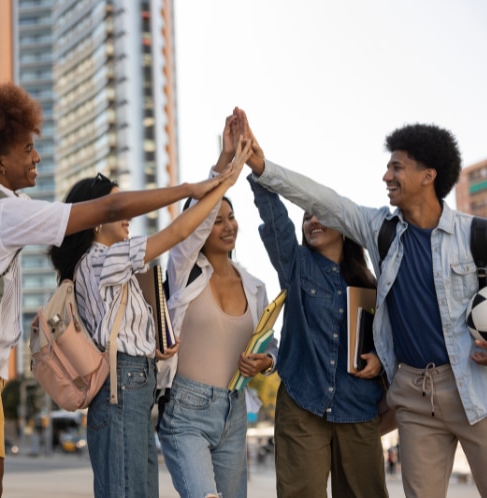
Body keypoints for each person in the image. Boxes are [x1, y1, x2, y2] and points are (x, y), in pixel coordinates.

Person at [0, 81, 236, 498]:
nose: (37, 157)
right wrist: (194, 187)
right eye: (27, 148)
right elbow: (117, 209)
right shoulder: (3, 211)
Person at [240, 107, 487, 498]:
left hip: (469, 389)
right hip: (396, 398)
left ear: (428, 175)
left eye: (397, 167)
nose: (386, 176)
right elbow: (313, 203)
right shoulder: (379, 233)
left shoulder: (472, 236)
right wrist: (261, 168)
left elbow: (381, 330)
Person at [49, 133, 251, 498]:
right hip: (122, 386)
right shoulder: (100, 260)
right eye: (117, 207)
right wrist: (223, 182)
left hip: (134, 384)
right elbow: (179, 232)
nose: (126, 214)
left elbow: (119, 329)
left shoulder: (108, 265)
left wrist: (151, 350)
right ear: (96, 219)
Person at [156, 114, 278, 498]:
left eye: (231, 217)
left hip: (234, 409)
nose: (227, 226)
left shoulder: (255, 287)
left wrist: (267, 362)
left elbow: (269, 345)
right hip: (185, 411)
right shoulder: (184, 270)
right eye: (216, 220)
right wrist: (225, 163)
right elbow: (193, 220)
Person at [249, 172, 388, 497]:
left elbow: (392, 339)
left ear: (344, 225)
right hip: (302, 404)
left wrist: (380, 359)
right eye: (306, 216)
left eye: (320, 213)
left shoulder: (371, 284)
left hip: (358, 408)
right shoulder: (296, 265)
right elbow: (275, 222)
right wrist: (258, 170)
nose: (312, 221)